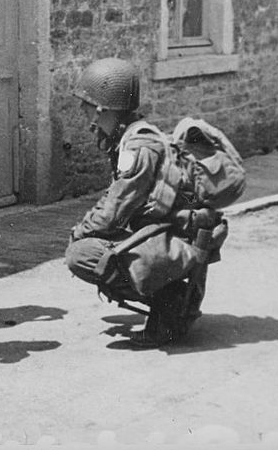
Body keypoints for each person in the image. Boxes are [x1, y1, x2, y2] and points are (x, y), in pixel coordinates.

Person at [64, 58, 225, 348]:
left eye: (86, 104)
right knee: (99, 246)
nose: (82, 111)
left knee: (82, 254)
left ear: (102, 108)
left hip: (177, 240)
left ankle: (170, 303)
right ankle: (169, 299)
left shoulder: (138, 147)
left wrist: (80, 231)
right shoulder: (133, 135)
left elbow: (114, 210)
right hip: (174, 233)